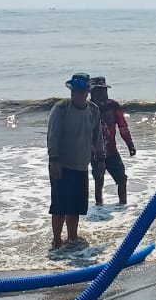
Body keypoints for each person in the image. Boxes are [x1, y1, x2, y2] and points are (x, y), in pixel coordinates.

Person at [47, 72, 104, 248]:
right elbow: (53, 136)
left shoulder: (93, 110)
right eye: (75, 90)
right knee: (60, 206)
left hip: (81, 166)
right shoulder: (61, 109)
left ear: (88, 91)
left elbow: (98, 137)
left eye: (81, 90)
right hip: (61, 165)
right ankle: (57, 240)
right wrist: (54, 159)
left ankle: (72, 237)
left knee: (76, 206)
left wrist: (100, 159)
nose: (78, 94)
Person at [89, 77, 136, 205]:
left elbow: (123, 126)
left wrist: (130, 144)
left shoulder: (113, 105)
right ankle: (99, 208)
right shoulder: (87, 108)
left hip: (111, 150)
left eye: (104, 89)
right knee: (99, 181)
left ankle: (123, 206)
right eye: (98, 90)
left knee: (122, 179)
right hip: (94, 153)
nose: (102, 93)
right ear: (91, 92)